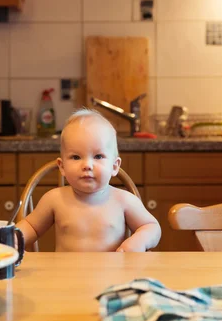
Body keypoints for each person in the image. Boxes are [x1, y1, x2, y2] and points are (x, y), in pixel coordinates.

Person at [16, 108, 161, 252]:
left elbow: (151, 227)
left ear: (114, 166)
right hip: (65, 274)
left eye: (98, 156)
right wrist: (12, 240)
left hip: (112, 274)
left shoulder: (124, 201)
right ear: (62, 166)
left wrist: (138, 242)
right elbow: (31, 227)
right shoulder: (54, 199)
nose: (87, 165)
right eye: (76, 157)